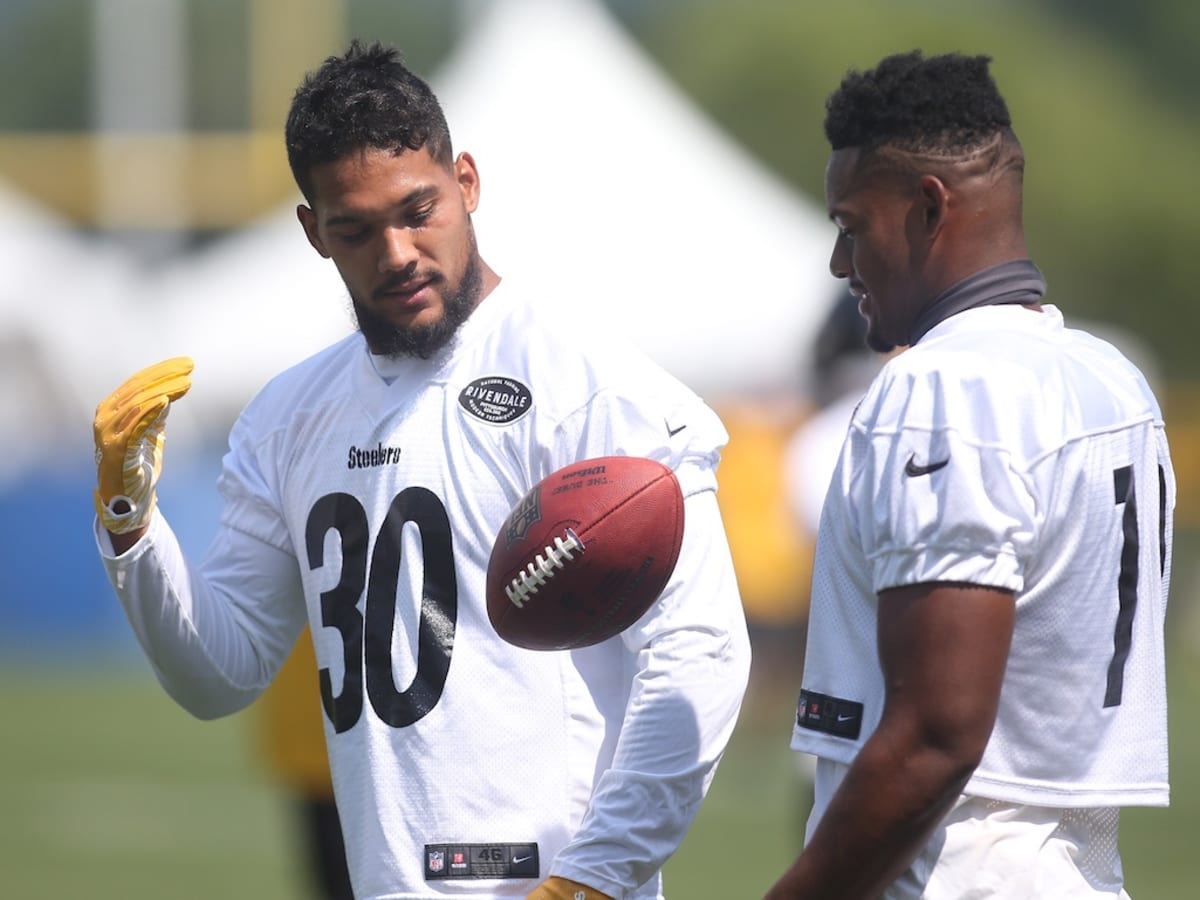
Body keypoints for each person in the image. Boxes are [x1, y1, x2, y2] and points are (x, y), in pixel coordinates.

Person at [91, 40, 751, 900]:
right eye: (356, 230)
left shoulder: (586, 383)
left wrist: (595, 877)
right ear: (312, 233)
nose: (397, 252)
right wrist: (129, 522)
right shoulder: (291, 416)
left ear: (467, 182)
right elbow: (219, 674)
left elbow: (701, 651)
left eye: (419, 210)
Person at [764, 50, 1174, 899]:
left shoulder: (948, 387)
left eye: (850, 225)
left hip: (962, 872)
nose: (842, 266)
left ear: (928, 205)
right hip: (1080, 868)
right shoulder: (1111, 377)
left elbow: (935, 737)